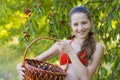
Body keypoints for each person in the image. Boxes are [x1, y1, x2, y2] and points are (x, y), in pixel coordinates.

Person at [16, 6, 104, 80]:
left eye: (84, 23)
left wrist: (70, 51)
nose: (80, 28)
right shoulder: (63, 44)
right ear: (71, 26)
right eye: (76, 24)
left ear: (90, 22)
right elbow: (36, 60)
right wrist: (20, 66)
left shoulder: (97, 47)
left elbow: (86, 76)